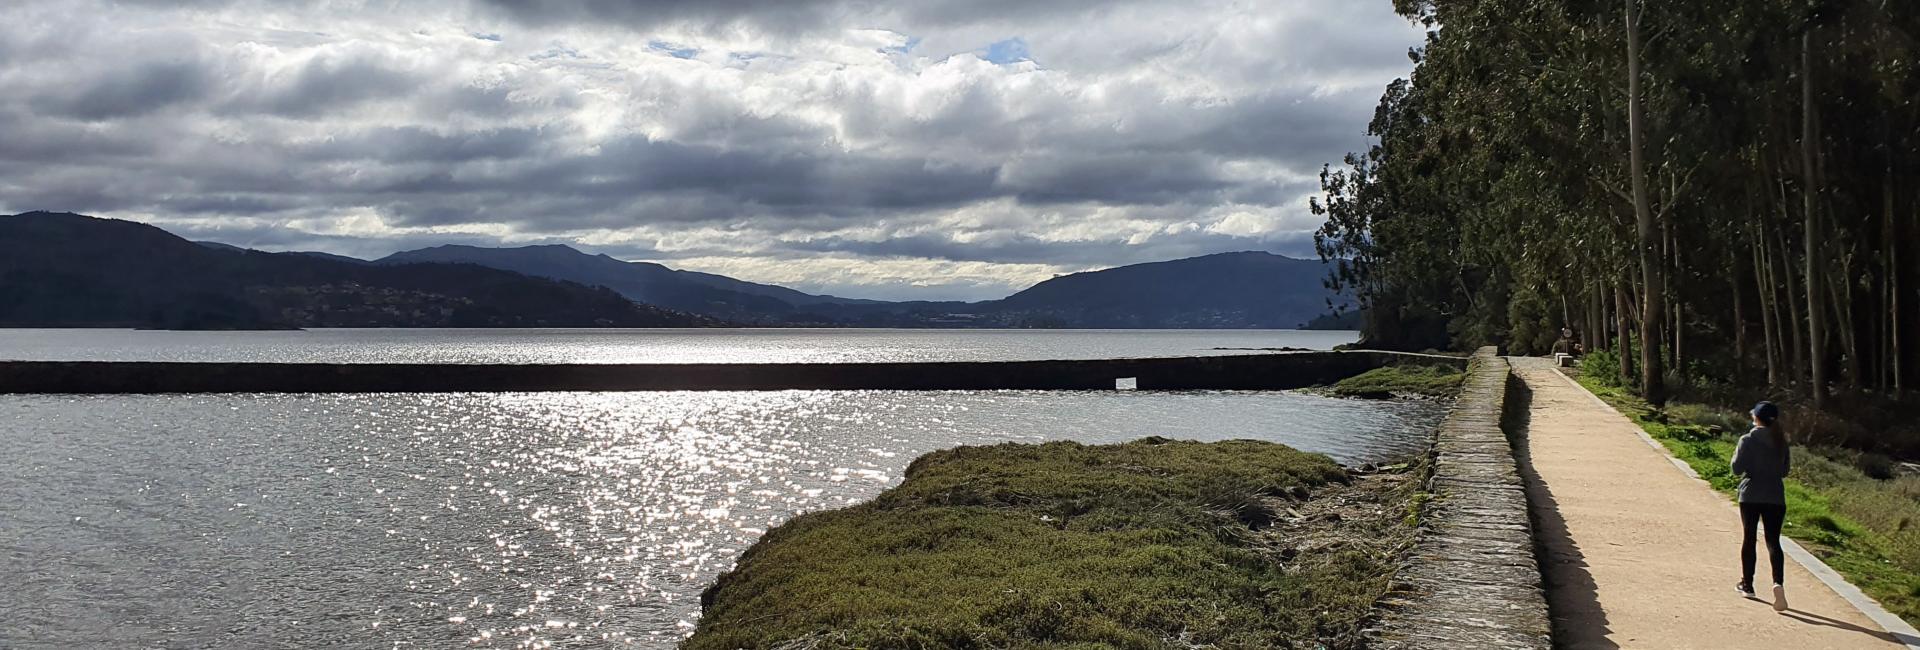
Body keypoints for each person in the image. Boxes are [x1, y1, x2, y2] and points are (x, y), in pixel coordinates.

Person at [1730, 400, 1790, 611]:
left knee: (1749, 537)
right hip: (1775, 496)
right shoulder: (1781, 441)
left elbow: (1736, 468)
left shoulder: (1747, 439)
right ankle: (1778, 583)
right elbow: (1784, 471)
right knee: (1774, 542)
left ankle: (1747, 584)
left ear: (1756, 418)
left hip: (1751, 494)